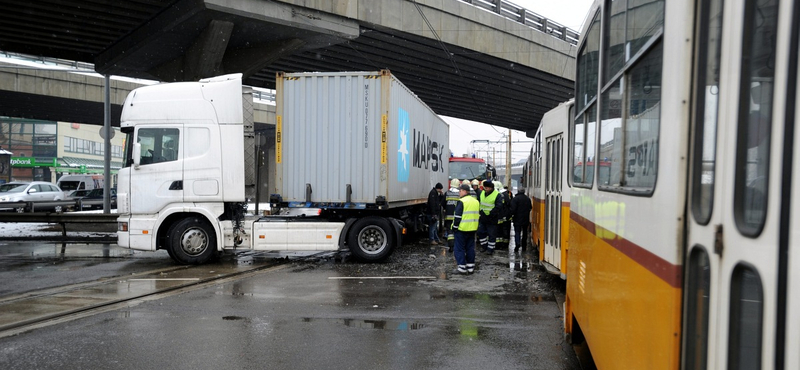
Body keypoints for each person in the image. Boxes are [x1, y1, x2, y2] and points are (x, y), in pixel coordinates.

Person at [452, 183, 480, 274]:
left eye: (460, 191)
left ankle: (462, 268)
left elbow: (458, 217)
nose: (459, 193)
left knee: (459, 248)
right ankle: (470, 267)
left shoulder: (462, 201)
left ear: (464, 191)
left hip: (462, 229)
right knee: (470, 248)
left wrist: (454, 227)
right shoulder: (475, 201)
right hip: (472, 229)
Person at [477, 181, 503, 255]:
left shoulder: (497, 195)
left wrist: (492, 213)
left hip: (492, 218)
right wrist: (481, 212)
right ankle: (484, 246)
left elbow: (499, 206)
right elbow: (479, 202)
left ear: (491, 188)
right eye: (485, 187)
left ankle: (490, 249)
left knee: (492, 234)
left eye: (487, 188)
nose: (486, 189)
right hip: (483, 217)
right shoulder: (482, 193)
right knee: (480, 232)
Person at [510, 188, 533, 253]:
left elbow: (513, 209)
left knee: (517, 232)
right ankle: (524, 246)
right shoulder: (527, 199)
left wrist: (511, 215)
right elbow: (530, 207)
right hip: (525, 218)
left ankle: (517, 243)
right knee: (525, 233)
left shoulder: (515, 199)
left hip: (517, 218)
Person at [443, 178, 461, 252]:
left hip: (448, 217)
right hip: (457, 216)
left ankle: (451, 246)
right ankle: (457, 246)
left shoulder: (447, 193)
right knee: (457, 231)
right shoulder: (460, 194)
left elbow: (443, 204)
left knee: (450, 232)